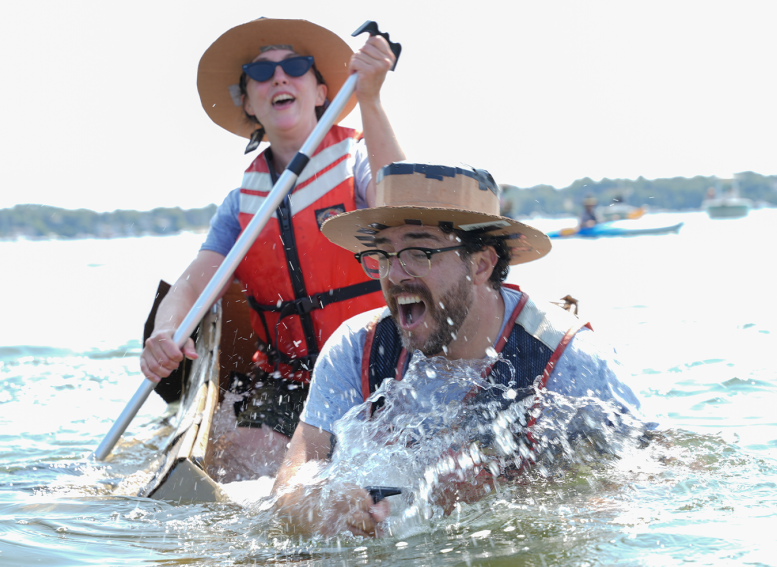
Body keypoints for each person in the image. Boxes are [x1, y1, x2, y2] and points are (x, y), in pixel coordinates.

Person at [269, 162, 646, 537]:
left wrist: (509, 500)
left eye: (418, 252)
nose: (394, 274)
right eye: (384, 255)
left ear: (481, 264)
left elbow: (641, 484)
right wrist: (320, 504)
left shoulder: (569, 360)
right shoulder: (357, 347)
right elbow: (290, 481)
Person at [140, 18, 406, 479]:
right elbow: (190, 289)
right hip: (293, 378)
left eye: (295, 67)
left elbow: (400, 211)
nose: (279, 77)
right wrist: (164, 333)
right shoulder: (240, 205)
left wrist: (371, 99)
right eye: (261, 73)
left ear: (321, 93)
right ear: (248, 102)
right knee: (241, 459)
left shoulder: (360, 161)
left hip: (386, 363)